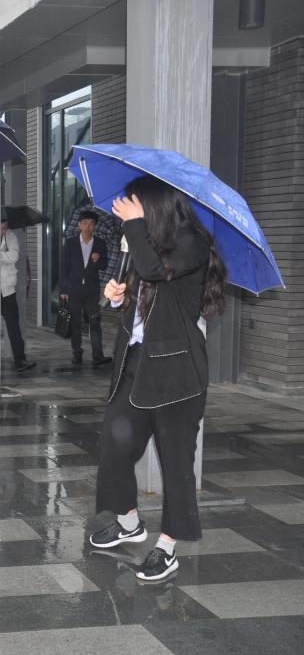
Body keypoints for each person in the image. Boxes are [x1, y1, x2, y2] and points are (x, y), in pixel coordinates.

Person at [89, 176, 227, 582]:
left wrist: (134, 226)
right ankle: (129, 522)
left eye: (135, 206)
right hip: (137, 365)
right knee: (113, 444)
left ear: (155, 207)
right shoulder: (145, 243)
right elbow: (143, 300)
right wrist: (119, 297)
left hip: (177, 374)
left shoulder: (191, 243)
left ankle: (167, 547)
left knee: (176, 462)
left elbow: (155, 272)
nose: (129, 212)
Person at [61, 209, 112, 365]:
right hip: (74, 289)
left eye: (91, 224)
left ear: (95, 226)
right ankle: (77, 353)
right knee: (75, 323)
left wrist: (98, 259)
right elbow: (64, 267)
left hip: (92, 290)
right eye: (84, 223)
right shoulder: (71, 243)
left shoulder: (100, 243)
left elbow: (104, 266)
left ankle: (98, 355)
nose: (88, 227)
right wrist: (64, 290)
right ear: (79, 225)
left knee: (95, 322)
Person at [0, 219, 36, 372]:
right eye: (0, 228)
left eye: (4, 228)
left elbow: (14, 256)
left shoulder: (11, 236)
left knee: (13, 325)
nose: (2, 231)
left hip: (7, 289)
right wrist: (3, 255)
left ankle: (20, 359)